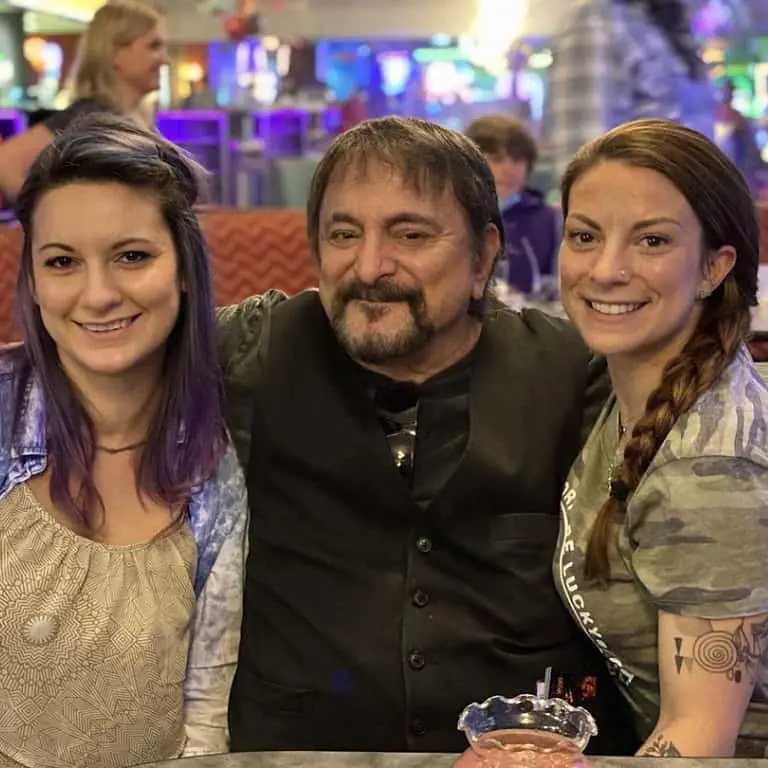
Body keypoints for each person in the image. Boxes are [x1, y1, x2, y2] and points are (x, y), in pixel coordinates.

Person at [217, 115, 637, 755]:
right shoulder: (254, 350)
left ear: (484, 255)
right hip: (299, 750)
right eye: (343, 234)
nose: (370, 265)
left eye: (409, 234)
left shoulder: (575, 372)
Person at [0, 114, 247, 766]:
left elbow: (204, 717)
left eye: (132, 256)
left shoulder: (218, 465)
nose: (99, 294)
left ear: (184, 269)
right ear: (33, 281)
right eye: (62, 262)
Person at [554, 118, 768, 757]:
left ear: (714, 267)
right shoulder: (641, 384)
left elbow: (696, 742)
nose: (607, 270)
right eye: (584, 236)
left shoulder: (707, 469)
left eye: (651, 240)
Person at [0, 0, 168, 202]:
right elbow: (6, 162)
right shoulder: (91, 114)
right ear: (115, 53)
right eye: (153, 46)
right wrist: (56, 219)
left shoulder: (134, 116)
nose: (164, 59)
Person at [547, 0, 715, 181]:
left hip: (687, 201)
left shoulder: (663, 23)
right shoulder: (596, 21)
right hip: (637, 203)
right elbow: (582, 160)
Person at [466, 114, 560, 298]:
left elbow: (563, 284)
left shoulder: (552, 220)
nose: (508, 169)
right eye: (497, 158)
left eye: (517, 160)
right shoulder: (454, 217)